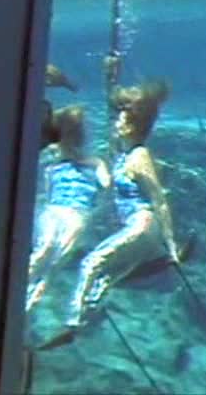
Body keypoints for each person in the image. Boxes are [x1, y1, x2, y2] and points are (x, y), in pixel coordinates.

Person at [43, 80, 179, 344]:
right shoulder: (124, 154)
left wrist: (171, 245)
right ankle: (81, 323)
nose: (116, 121)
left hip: (142, 226)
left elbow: (159, 199)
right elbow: (111, 116)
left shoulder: (139, 156)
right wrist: (110, 76)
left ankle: (73, 322)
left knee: (92, 262)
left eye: (121, 117)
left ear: (132, 124)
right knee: (105, 278)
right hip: (138, 228)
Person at [26, 104, 110, 312]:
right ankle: (22, 289)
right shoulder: (52, 166)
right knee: (45, 250)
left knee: (56, 258)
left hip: (77, 214)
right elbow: (48, 196)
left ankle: (30, 301)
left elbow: (107, 184)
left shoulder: (94, 163)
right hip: (56, 211)